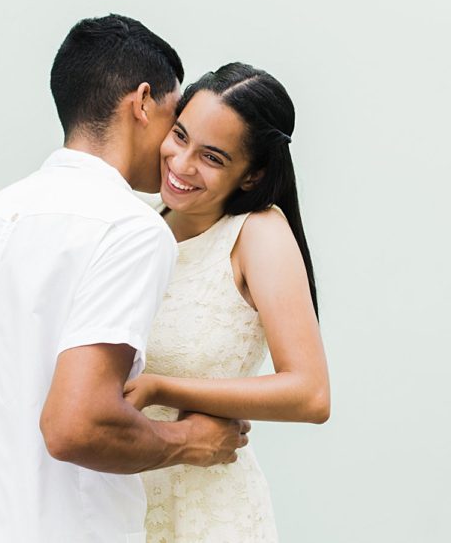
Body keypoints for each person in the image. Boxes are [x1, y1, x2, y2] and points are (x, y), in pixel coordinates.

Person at [0, 15, 250, 543]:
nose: (176, 150)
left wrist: (3, 402)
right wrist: (188, 441)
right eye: (176, 123)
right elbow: (75, 426)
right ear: (144, 102)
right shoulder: (132, 230)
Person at [124, 63, 330, 543]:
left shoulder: (257, 233)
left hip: (206, 514)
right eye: (179, 135)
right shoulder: (139, 225)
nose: (180, 164)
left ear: (251, 175)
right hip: (121, 503)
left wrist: (160, 389)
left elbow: (311, 393)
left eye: (212, 158)